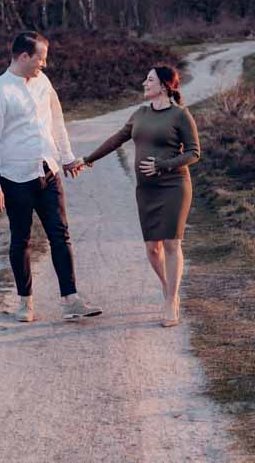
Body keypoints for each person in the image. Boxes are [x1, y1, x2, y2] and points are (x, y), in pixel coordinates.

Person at [0, 31, 102, 323]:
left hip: (48, 171)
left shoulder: (43, 83)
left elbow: (57, 121)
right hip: (15, 177)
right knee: (21, 240)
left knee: (60, 235)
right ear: (24, 56)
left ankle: (71, 300)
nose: (44, 65)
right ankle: (25, 303)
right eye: (41, 59)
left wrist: (68, 156)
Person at [82, 66, 200, 326]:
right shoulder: (140, 113)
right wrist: (87, 159)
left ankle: (170, 301)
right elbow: (116, 139)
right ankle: (168, 286)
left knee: (171, 244)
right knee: (152, 248)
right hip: (146, 190)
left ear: (165, 86)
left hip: (173, 186)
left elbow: (193, 153)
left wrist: (163, 165)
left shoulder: (181, 115)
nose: (144, 83)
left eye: (150, 79)